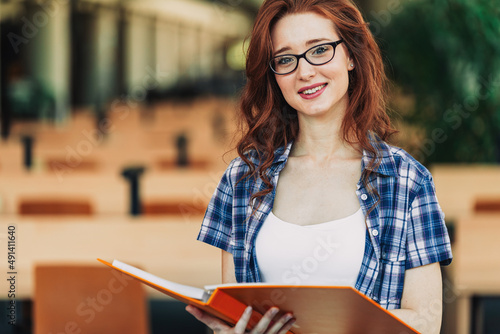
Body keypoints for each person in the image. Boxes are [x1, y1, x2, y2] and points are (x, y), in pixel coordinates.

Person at [186, 0, 453, 333]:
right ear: (274, 76)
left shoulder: (408, 181)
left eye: (320, 50)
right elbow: (235, 314)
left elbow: (427, 323)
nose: (305, 71)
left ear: (351, 56)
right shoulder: (241, 180)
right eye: (285, 59)